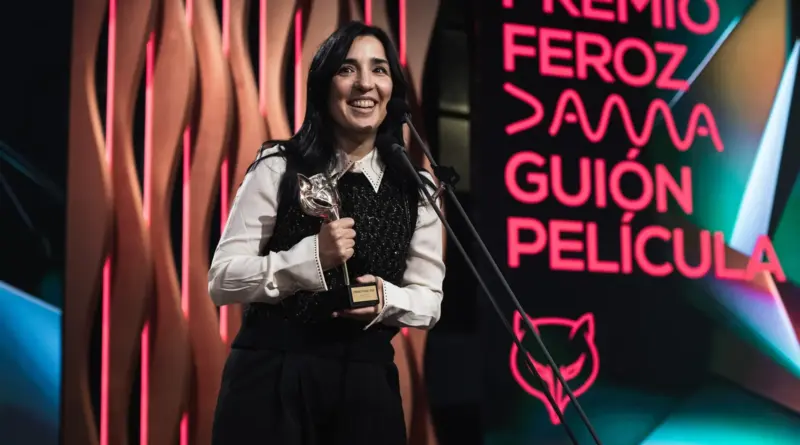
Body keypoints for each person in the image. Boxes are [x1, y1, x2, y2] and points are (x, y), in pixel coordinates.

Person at [207, 21, 445, 445]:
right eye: (347, 69)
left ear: (394, 91)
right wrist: (306, 261)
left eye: (379, 70)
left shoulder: (418, 187)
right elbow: (222, 279)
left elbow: (429, 300)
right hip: (270, 377)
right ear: (323, 85)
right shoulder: (278, 166)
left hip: (365, 386)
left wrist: (386, 298)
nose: (364, 84)